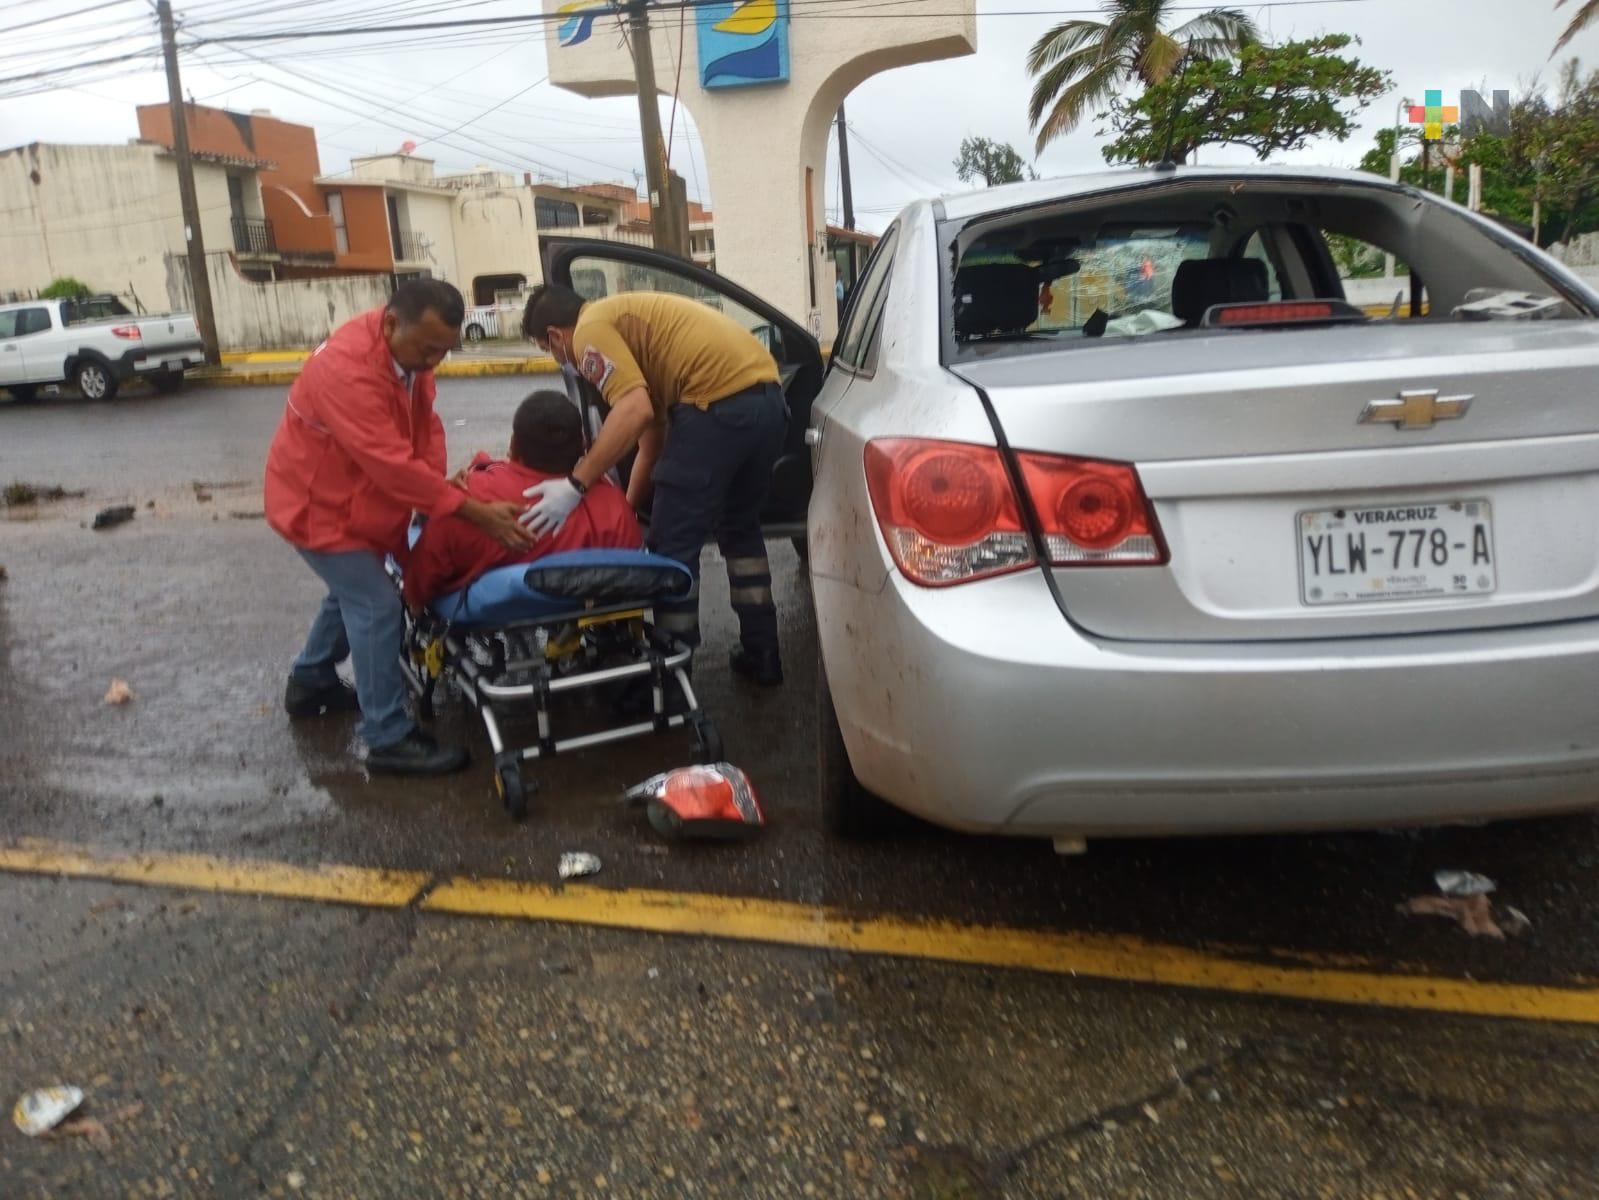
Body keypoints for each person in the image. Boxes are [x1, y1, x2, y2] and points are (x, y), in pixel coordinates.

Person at [264, 279, 531, 775]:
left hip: (358, 502)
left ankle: (311, 680)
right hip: (315, 505)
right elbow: (388, 462)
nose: (434, 362)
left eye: (443, 352)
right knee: (375, 602)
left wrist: (433, 491)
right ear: (391, 323)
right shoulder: (345, 371)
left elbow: (424, 424)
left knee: (350, 592)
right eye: (428, 350)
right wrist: (465, 508)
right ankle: (386, 737)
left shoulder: (409, 356)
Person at [520, 284, 787, 685]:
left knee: (672, 547)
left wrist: (576, 485)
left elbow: (632, 408)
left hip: (714, 408)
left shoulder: (590, 329)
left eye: (549, 349)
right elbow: (651, 437)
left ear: (556, 335)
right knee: (739, 531)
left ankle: (671, 675)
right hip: (768, 407)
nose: (560, 358)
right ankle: (763, 654)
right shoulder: (637, 330)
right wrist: (626, 509)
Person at [402, 390, 643, 609]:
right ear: (582, 446)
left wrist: (414, 603)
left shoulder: (471, 501)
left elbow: (421, 578)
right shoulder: (613, 503)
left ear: (513, 445)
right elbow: (633, 570)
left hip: (493, 609)